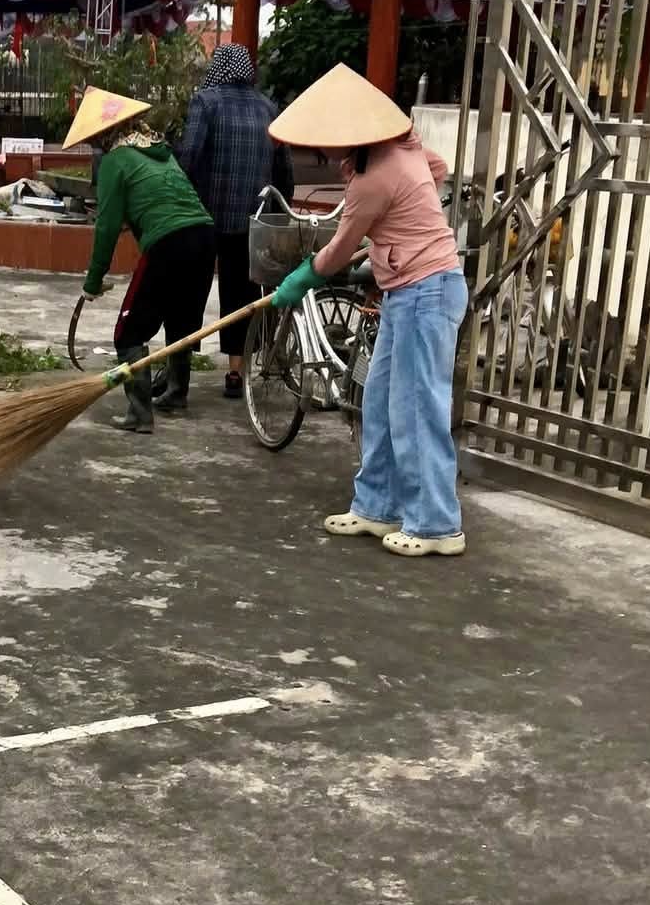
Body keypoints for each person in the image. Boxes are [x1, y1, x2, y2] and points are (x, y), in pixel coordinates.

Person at [271, 63, 468, 557]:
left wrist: (303, 278)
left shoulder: (372, 178)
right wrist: (398, 228)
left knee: (417, 409)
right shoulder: (405, 149)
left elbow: (338, 250)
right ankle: (377, 506)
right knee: (378, 402)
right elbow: (437, 170)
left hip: (427, 291)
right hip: (407, 291)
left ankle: (436, 525)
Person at [71, 89, 215, 435]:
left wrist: (93, 281)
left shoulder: (115, 161)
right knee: (181, 321)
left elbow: (106, 227)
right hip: (204, 236)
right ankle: (176, 393)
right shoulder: (160, 151)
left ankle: (139, 414)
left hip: (168, 242)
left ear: (104, 135)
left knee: (129, 333)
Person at [175, 44, 293, 406]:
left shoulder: (205, 102)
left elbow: (189, 156)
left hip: (207, 215)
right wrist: (278, 214)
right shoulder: (268, 108)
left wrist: (180, 200)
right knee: (240, 296)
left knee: (189, 292)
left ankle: (178, 369)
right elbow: (284, 171)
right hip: (253, 221)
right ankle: (236, 372)